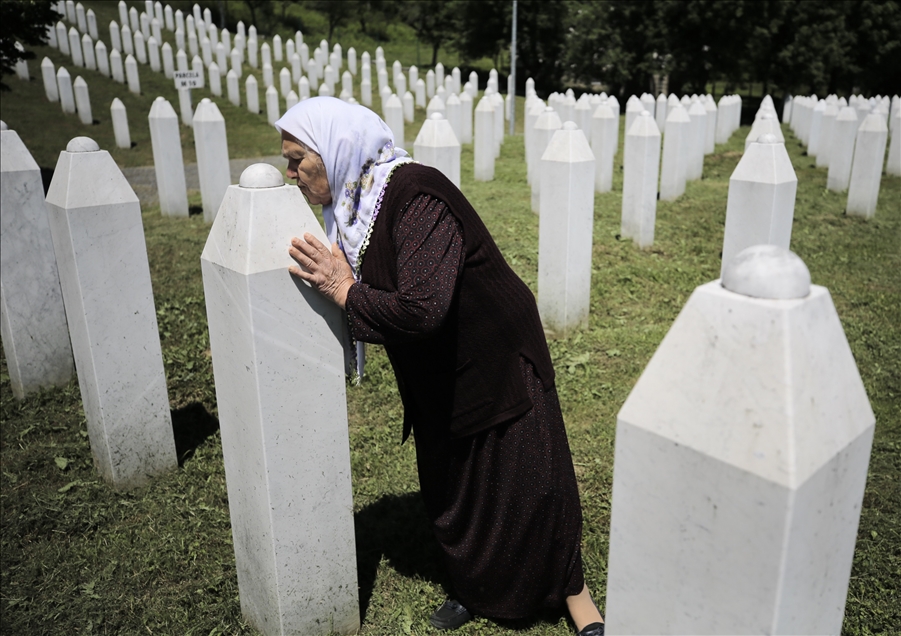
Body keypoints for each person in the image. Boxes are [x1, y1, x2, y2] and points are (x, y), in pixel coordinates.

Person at [276, 96, 604, 636]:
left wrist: (344, 289)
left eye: (296, 159)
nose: (291, 175)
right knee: (457, 486)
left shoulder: (414, 193)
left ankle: (574, 594)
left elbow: (423, 306)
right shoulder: (354, 208)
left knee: (528, 480)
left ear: (334, 151)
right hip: (435, 364)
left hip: (493, 351)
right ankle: (476, 588)